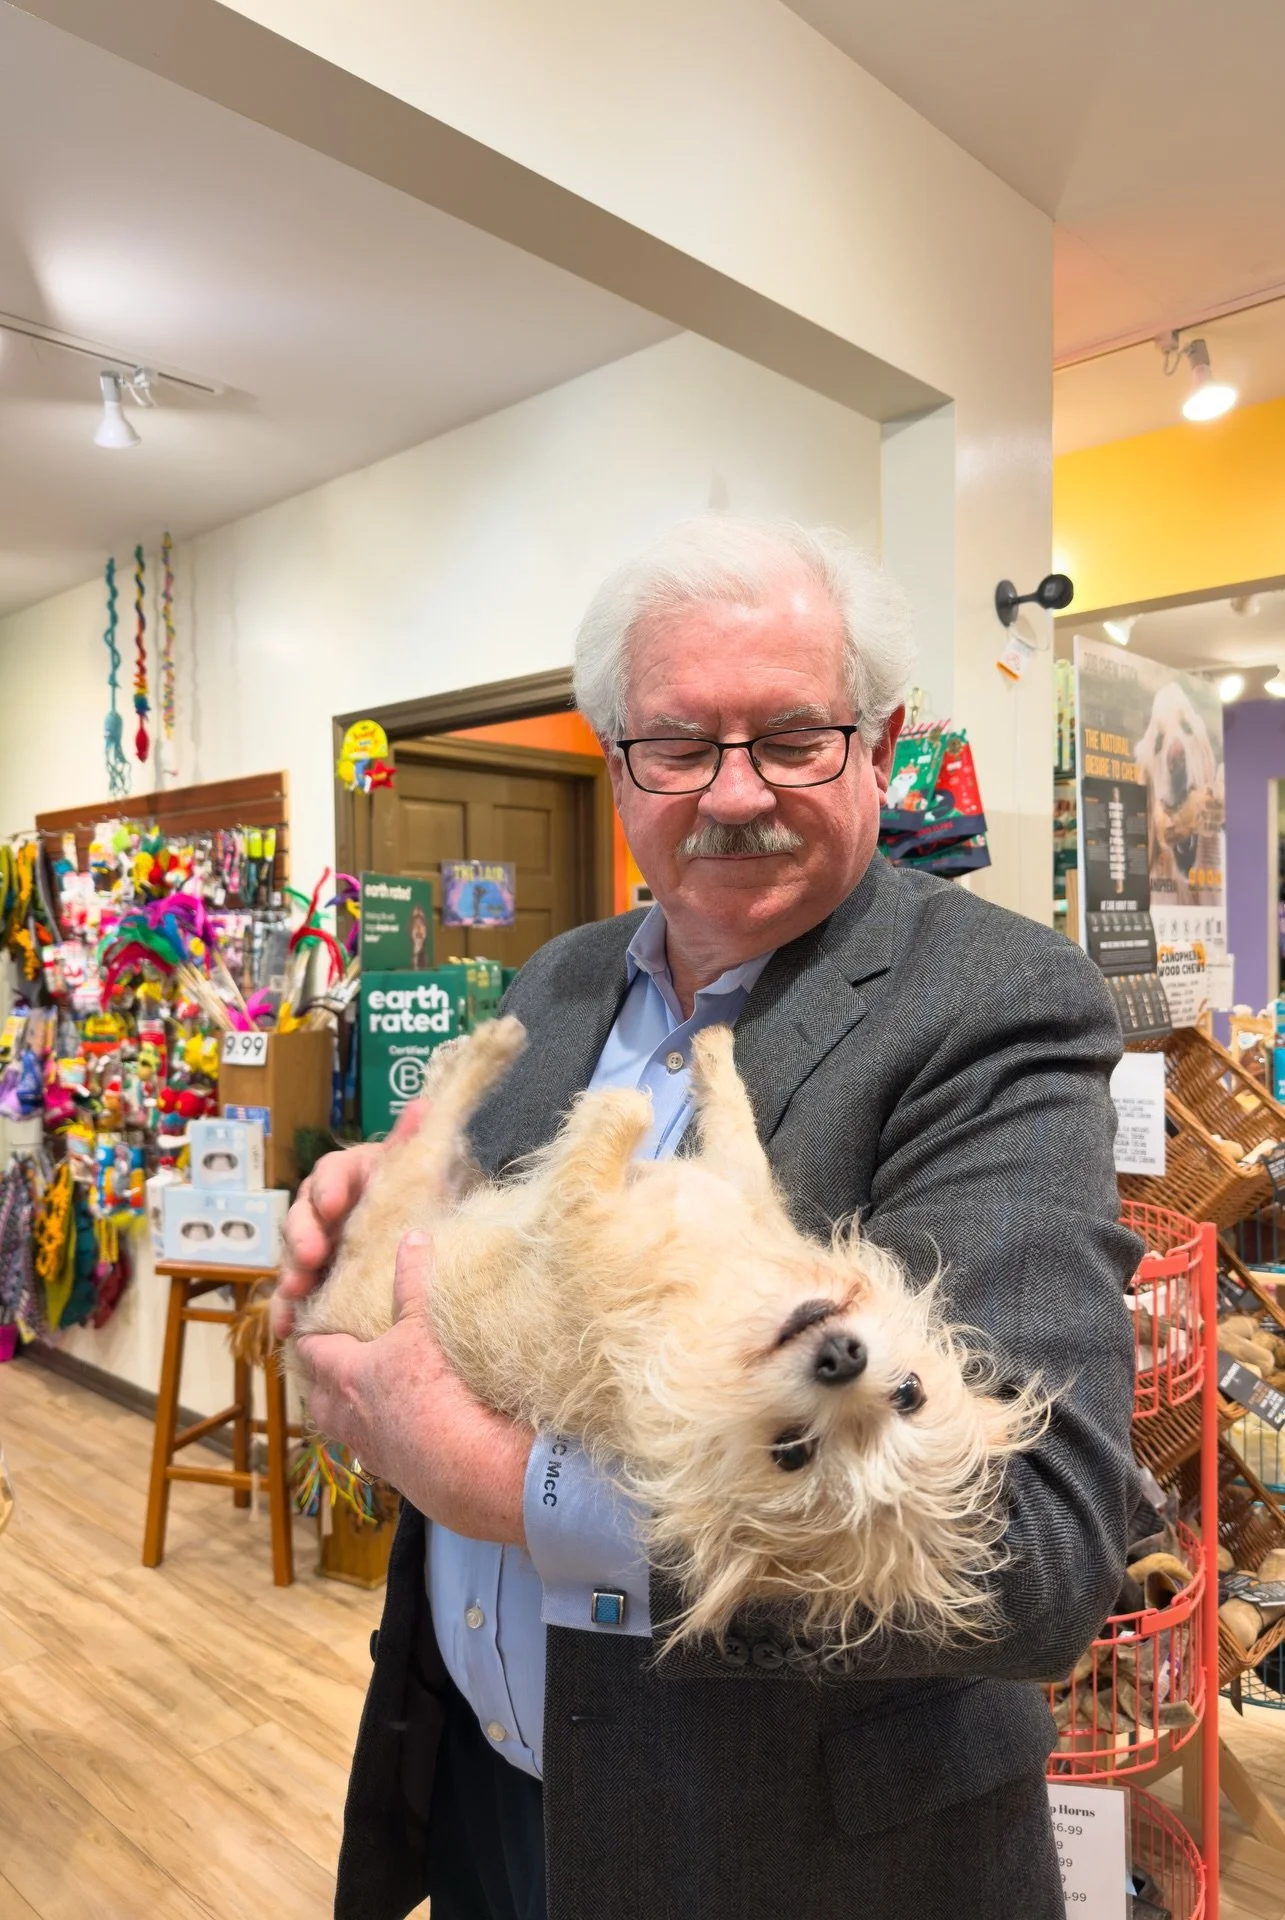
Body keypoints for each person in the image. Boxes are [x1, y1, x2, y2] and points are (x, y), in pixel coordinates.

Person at [277, 515, 1139, 1920]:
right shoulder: (554, 988)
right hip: (489, 1797)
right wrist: (376, 1242)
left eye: (793, 736)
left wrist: (508, 1485)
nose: (733, 795)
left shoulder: (993, 1004)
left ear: (882, 742)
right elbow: (488, 1315)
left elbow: (1037, 1556)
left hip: (789, 1864)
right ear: (617, 762)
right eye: (680, 746)